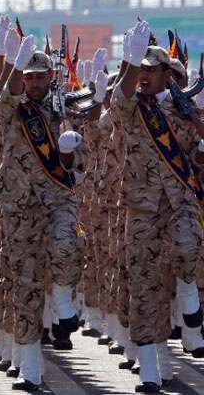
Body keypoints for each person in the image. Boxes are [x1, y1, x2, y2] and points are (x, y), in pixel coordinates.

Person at [110, 21, 204, 393]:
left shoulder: (183, 112)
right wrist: (130, 62)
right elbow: (118, 102)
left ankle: (188, 297)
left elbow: (197, 162)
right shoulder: (132, 109)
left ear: (168, 74)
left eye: (152, 69)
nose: (145, 76)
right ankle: (150, 368)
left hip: (180, 203)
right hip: (143, 210)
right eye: (142, 69)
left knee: (187, 247)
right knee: (145, 289)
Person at [0, 34, 87, 391]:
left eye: (39, 76)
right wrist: (13, 65)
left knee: (67, 246)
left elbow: (82, 159)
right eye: (28, 76)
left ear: (51, 78)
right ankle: (30, 369)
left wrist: (68, 150)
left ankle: (63, 299)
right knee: (26, 286)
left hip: (58, 198)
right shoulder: (12, 107)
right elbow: (1, 103)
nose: (33, 82)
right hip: (18, 204)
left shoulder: (66, 110)